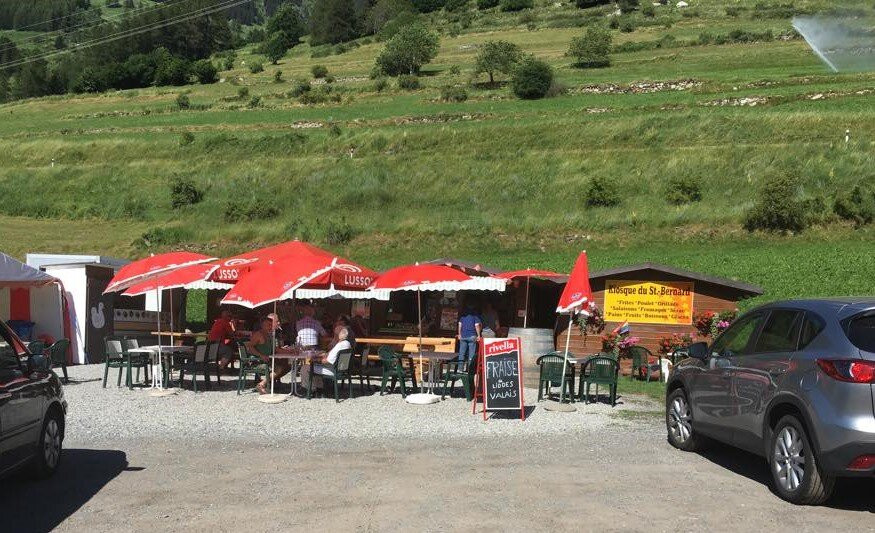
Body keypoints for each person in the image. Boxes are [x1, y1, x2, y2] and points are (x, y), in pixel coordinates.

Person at [246, 316, 292, 395]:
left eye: (271, 325)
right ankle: (261, 385)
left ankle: (268, 382)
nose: (270, 327)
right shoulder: (258, 334)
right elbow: (250, 348)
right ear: (262, 325)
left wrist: (290, 352)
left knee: (288, 366)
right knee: (279, 368)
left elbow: (276, 349)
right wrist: (261, 355)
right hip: (258, 361)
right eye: (268, 325)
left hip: (268, 360)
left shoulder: (269, 335)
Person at [302, 327, 352, 392]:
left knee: (305, 367)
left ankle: (311, 390)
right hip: (341, 370)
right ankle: (319, 387)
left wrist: (315, 360)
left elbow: (328, 361)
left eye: (335, 334)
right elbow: (331, 356)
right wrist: (320, 357)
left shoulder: (339, 345)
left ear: (338, 335)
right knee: (314, 366)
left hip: (333, 370)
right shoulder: (347, 343)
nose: (334, 335)